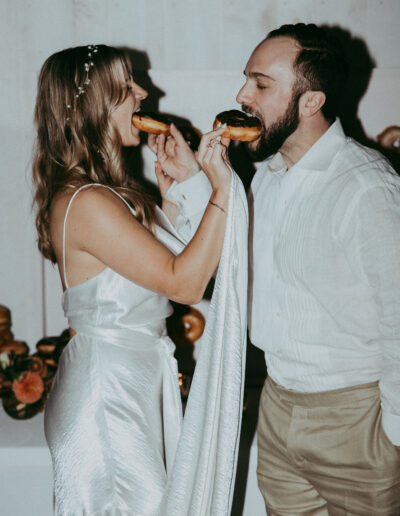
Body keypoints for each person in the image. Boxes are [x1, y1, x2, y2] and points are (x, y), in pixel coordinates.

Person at [163, 22, 400, 516]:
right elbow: (221, 275)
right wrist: (192, 182)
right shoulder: (266, 178)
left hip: (356, 417)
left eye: (261, 85)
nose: (240, 95)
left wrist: (394, 437)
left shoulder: (368, 188)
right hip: (276, 405)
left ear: (310, 102)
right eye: (245, 80)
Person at [32, 44, 248, 516]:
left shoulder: (105, 194)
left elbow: (162, 271)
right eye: (126, 86)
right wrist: (223, 187)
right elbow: (185, 284)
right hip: (108, 396)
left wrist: (177, 196)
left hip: (128, 382)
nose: (144, 92)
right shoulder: (87, 200)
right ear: (90, 105)